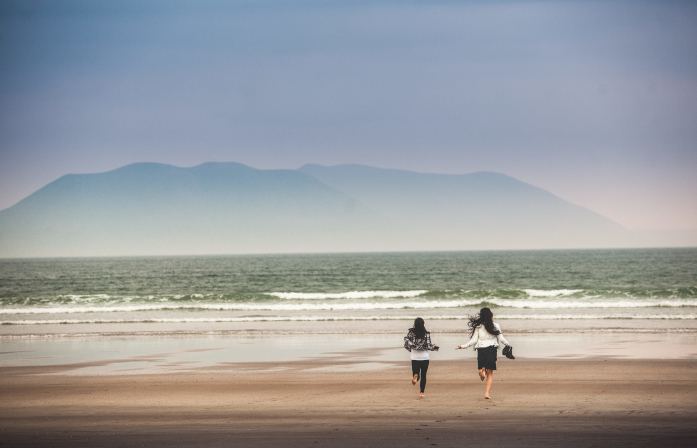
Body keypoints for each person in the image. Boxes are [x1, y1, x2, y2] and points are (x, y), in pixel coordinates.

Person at [455, 307, 512, 399]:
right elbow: (501, 338)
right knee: (490, 373)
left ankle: (481, 370)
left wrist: (463, 346)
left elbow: (474, 340)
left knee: (483, 368)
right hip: (491, 349)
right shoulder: (495, 325)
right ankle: (487, 394)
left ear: (481, 315)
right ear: (491, 315)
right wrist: (508, 344)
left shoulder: (479, 326)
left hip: (481, 349)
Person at [404, 317, 439, 398]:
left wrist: (411, 349)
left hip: (415, 357)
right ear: (423, 324)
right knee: (424, 375)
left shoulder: (411, 333)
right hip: (424, 358)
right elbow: (429, 346)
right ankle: (421, 392)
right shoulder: (426, 334)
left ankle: (415, 376)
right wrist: (435, 346)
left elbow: (406, 343)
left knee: (416, 373)